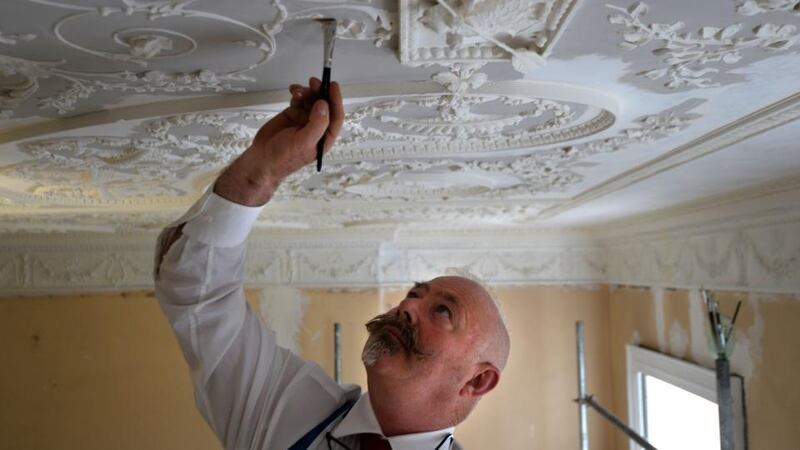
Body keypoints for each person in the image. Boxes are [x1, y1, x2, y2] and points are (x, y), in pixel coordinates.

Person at [153, 77, 510, 450]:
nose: (407, 305)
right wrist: (262, 168)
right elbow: (193, 288)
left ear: (477, 381)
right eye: (414, 294)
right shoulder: (287, 408)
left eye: (442, 311)